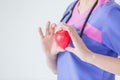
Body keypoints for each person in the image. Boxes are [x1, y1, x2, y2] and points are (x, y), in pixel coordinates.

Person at [38, 0, 120, 80]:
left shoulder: (109, 14)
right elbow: (57, 70)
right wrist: (50, 55)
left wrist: (90, 56)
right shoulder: (71, 8)